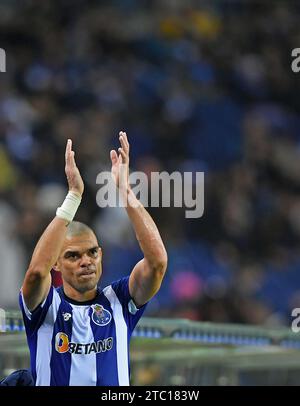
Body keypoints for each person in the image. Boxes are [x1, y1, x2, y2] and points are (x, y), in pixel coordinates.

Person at [19, 132, 168, 386]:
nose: (86, 261)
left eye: (92, 252)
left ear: (101, 255)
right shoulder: (45, 306)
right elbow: (35, 274)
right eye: (73, 256)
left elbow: (157, 262)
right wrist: (73, 196)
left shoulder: (120, 300)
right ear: (56, 264)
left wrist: (125, 191)